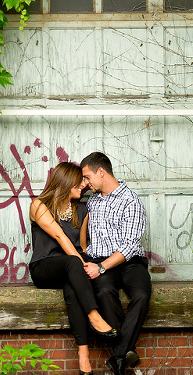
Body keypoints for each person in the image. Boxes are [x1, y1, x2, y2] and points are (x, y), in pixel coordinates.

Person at [28, 161, 118, 375]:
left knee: (72, 287)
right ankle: (94, 316)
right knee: (73, 263)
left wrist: (90, 265)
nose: (84, 186)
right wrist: (80, 262)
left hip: (72, 268)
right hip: (44, 267)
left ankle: (83, 355)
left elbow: (83, 246)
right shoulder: (39, 205)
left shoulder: (82, 210)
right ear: (67, 183)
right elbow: (60, 236)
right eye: (79, 182)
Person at [80, 152, 152, 375]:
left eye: (87, 176)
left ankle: (118, 355)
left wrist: (102, 267)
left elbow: (130, 245)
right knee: (102, 292)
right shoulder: (91, 201)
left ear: (101, 172)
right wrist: (87, 258)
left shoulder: (130, 201)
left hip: (130, 262)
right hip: (99, 261)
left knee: (141, 294)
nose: (86, 182)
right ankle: (124, 353)